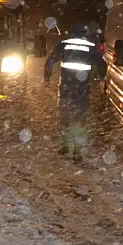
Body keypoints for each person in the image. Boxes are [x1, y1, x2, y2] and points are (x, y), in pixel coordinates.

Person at [43, 23, 107, 160]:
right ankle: (77, 151)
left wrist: (46, 78)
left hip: (66, 88)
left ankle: (65, 146)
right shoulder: (91, 47)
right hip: (82, 89)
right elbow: (102, 65)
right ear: (84, 33)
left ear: (72, 33)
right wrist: (101, 77)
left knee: (65, 116)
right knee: (79, 119)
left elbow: (50, 61)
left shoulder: (64, 45)